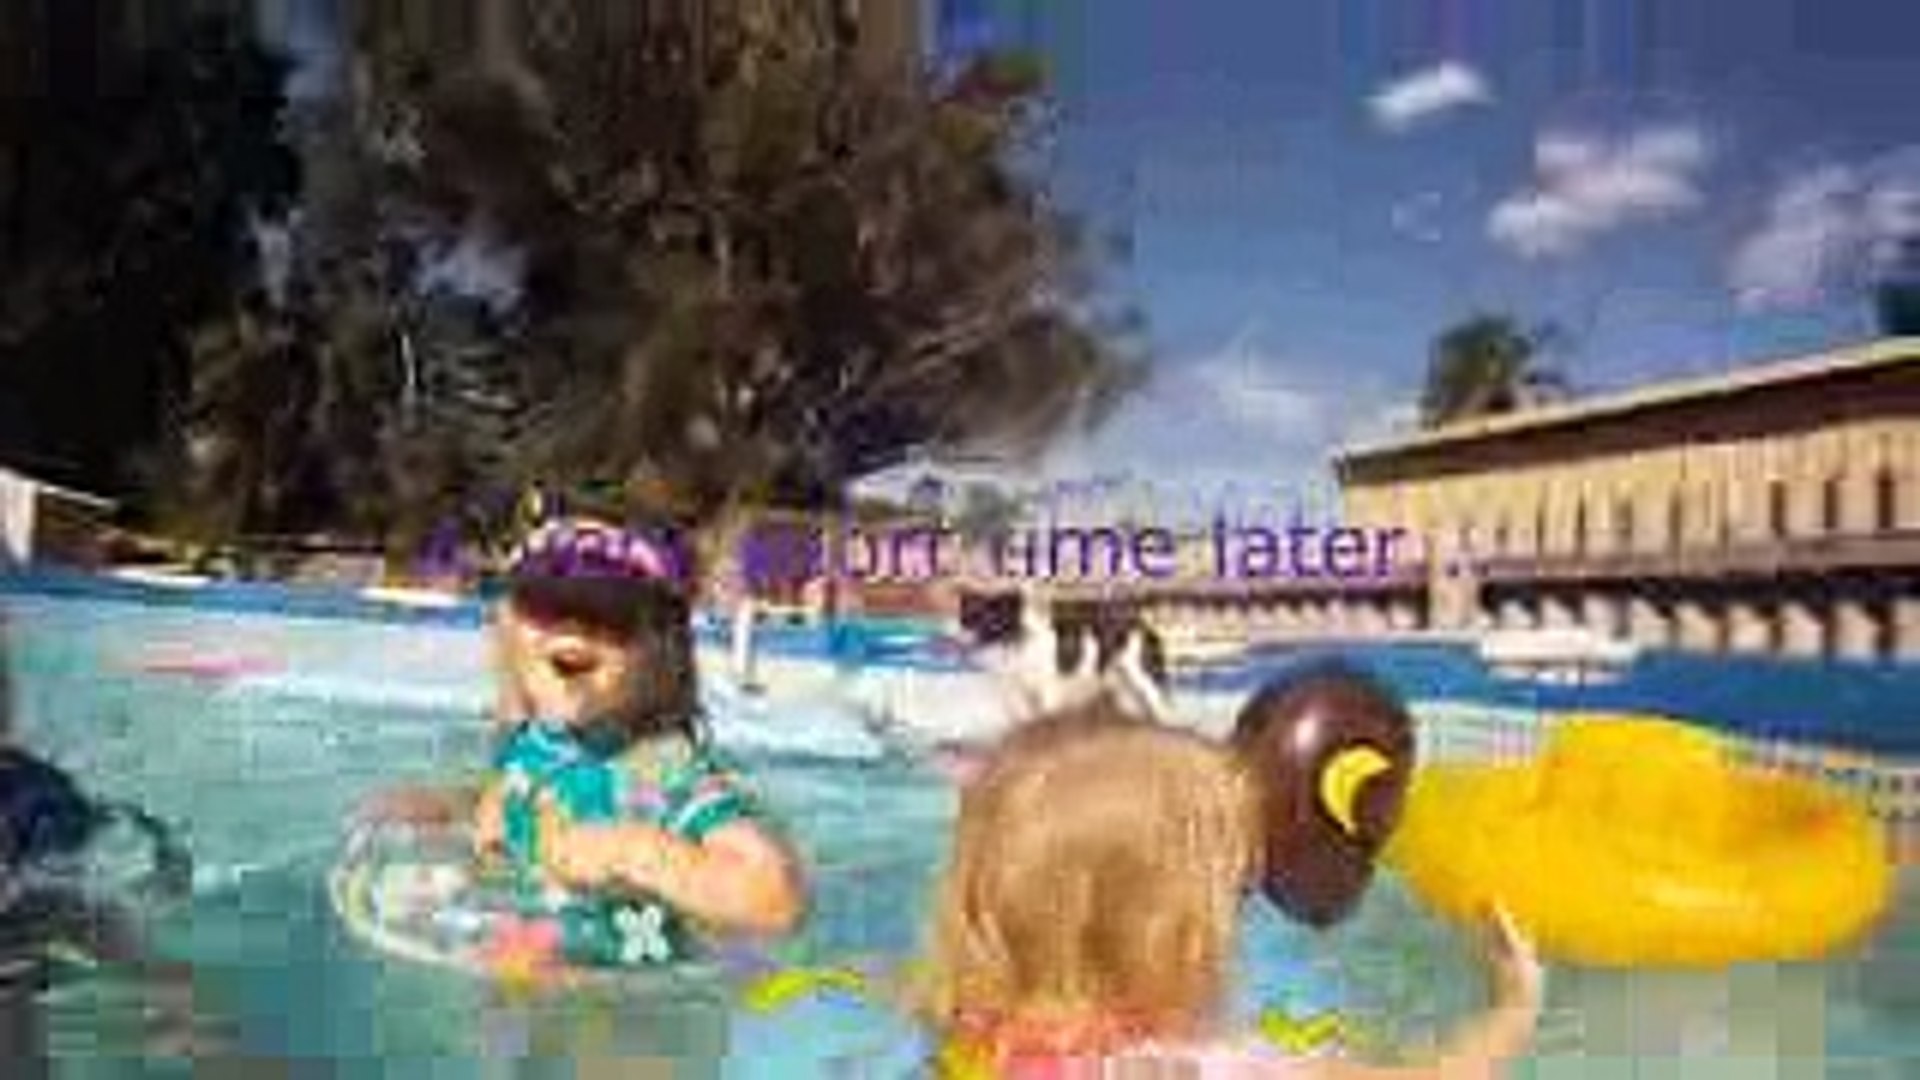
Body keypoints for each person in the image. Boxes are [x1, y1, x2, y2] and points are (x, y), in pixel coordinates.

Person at [909, 704, 1542, 1078]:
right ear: (1162, 931)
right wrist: (1513, 1010)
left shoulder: (973, 1034)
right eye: (1235, 892)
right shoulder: (1200, 1069)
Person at [363, 516, 806, 971]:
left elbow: (774, 899)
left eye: (610, 616)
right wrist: (450, 810)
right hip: (525, 961)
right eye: (544, 607)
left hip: (618, 1001)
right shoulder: (536, 740)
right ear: (507, 629)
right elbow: (512, 801)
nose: (573, 627)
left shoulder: (656, 765)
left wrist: (635, 852)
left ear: (661, 653)